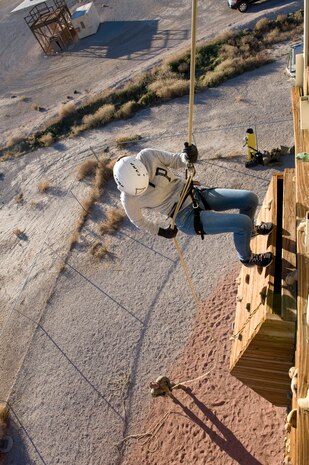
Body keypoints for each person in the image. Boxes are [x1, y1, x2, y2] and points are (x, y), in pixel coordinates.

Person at [113, 143, 273, 268]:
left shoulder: (148, 156)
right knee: (242, 223)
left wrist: (187, 156)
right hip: (185, 217)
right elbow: (138, 221)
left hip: (195, 193)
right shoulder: (128, 199)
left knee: (250, 199)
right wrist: (160, 231)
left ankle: (250, 231)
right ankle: (246, 258)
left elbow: (176, 160)